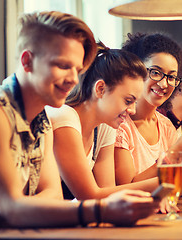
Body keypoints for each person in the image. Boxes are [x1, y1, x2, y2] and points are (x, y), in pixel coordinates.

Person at [0, 11, 158, 228]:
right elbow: (11, 209)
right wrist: (100, 210)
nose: (72, 79)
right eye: (62, 65)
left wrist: (23, 208)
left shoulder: (42, 118)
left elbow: (52, 195)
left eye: (77, 69)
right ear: (27, 61)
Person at [46, 42, 160, 201]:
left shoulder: (105, 126)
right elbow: (89, 195)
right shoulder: (64, 116)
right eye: (128, 101)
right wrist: (166, 182)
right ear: (100, 89)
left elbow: (107, 193)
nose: (132, 110)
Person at [114, 33, 182, 187]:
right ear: (135, 69)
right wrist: (173, 153)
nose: (164, 84)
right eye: (155, 72)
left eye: (171, 77)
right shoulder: (119, 125)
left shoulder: (166, 125)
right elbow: (125, 188)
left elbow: (180, 188)